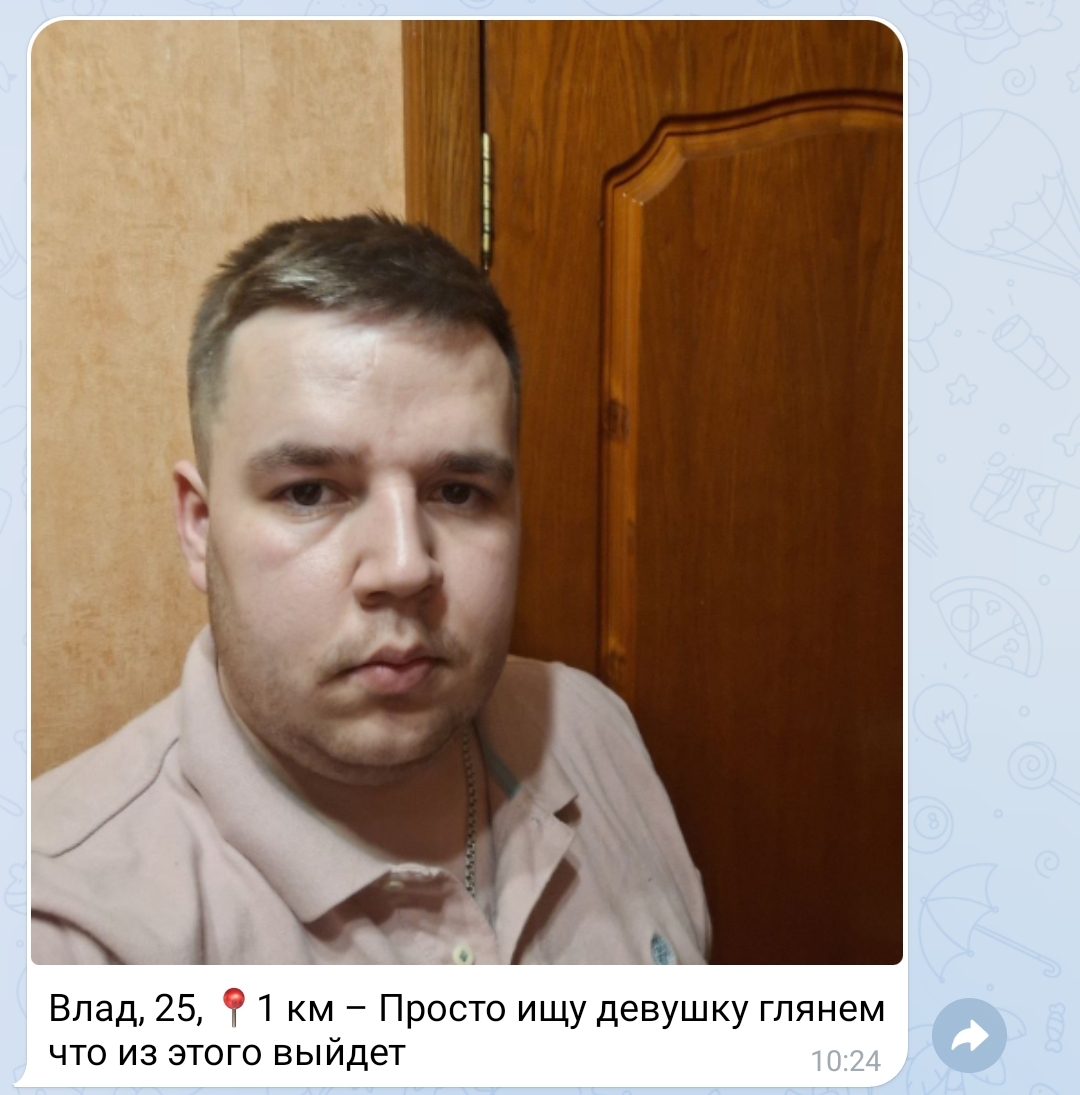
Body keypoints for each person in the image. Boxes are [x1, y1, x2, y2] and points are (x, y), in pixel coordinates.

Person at [31, 214, 711, 964]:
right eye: (310, 491)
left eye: (458, 491)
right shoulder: (62, 931)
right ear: (199, 525)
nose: (404, 567)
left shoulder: (593, 729)